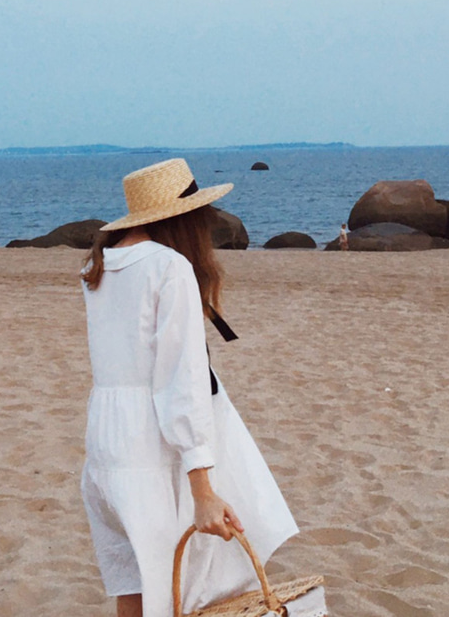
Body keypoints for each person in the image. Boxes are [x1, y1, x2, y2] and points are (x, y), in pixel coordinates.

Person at [80, 158, 298, 617]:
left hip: (106, 438)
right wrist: (202, 488)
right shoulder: (168, 266)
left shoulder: (100, 267)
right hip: (154, 447)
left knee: (136, 582)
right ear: (186, 217)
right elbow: (180, 380)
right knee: (181, 586)